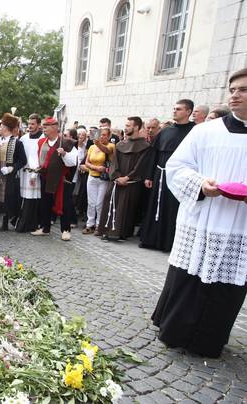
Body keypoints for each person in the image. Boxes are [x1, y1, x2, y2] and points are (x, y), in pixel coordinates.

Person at [152, 68, 247, 358]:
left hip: (239, 226)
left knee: (225, 287)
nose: (235, 94)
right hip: (204, 217)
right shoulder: (206, 131)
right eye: (232, 89)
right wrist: (201, 185)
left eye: (243, 89)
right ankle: (176, 333)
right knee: (189, 278)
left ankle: (209, 340)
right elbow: (178, 168)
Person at [139, 99, 196, 251]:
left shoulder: (195, 131)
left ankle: (169, 243)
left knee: (173, 209)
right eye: (174, 109)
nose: (174, 111)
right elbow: (154, 154)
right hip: (161, 175)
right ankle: (152, 239)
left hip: (182, 177)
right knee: (157, 206)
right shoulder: (165, 131)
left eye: (178, 109)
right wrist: (149, 176)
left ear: (188, 112)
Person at [97, 117, 150, 241]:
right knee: (109, 203)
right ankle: (105, 230)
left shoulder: (145, 146)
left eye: (128, 126)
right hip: (116, 181)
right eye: (125, 126)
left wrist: (127, 178)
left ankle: (119, 233)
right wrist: (117, 176)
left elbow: (141, 166)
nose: (125, 128)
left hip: (130, 183)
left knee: (124, 208)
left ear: (136, 127)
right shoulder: (120, 144)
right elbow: (114, 162)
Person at [31, 117, 77, 240]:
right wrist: (35, 172)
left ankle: (66, 230)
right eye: (43, 127)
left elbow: (73, 162)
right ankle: (45, 228)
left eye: (46, 127)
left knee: (64, 205)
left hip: (61, 180)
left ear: (55, 128)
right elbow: (38, 159)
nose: (43, 129)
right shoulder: (42, 142)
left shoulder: (67, 143)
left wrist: (64, 154)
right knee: (45, 203)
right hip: (45, 177)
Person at [0, 113, 27, 231]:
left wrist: (11, 168)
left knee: (7, 197)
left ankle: (5, 222)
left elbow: (23, 160)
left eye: (1, 126)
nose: (0, 128)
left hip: (9, 174)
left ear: (6, 128)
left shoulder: (17, 143)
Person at [82, 127, 115, 235]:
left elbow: (107, 151)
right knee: (91, 202)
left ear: (109, 136)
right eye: (100, 134)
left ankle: (98, 225)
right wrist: (95, 168)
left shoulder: (111, 145)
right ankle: (89, 224)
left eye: (104, 135)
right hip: (92, 176)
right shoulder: (92, 147)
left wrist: (98, 143)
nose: (102, 137)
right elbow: (86, 162)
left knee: (99, 203)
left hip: (103, 179)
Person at [16, 114, 42, 233]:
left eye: (33, 124)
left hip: (35, 173)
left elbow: (39, 157)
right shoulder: (23, 138)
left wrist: (34, 173)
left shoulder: (42, 138)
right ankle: (22, 223)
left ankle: (30, 224)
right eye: (29, 123)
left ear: (38, 125)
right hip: (23, 173)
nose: (30, 126)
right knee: (23, 199)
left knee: (32, 200)